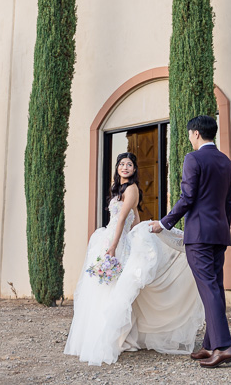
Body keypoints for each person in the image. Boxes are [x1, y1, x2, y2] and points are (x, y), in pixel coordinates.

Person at [65, 152, 204, 366]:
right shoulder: (117, 189)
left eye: (129, 164)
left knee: (116, 288)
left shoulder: (131, 189)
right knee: (102, 287)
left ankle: (114, 337)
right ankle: (101, 334)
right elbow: (135, 218)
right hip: (109, 237)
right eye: (122, 164)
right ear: (117, 168)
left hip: (116, 242)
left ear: (134, 169)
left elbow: (122, 219)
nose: (125, 167)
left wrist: (114, 246)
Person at [150, 115, 231, 368]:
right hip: (219, 233)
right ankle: (210, 344)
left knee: (209, 288)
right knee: (215, 286)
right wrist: (224, 227)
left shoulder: (193, 158)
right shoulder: (227, 162)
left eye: (190, 134)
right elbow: (228, 202)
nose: (189, 138)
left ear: (196, 133)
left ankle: (224, 347)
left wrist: (164, 223)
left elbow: (187, 197)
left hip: (199, 234)